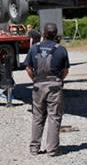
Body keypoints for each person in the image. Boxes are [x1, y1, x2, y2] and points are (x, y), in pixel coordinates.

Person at [22, 22, 70, 156]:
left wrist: (35, 80)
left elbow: (28, 68)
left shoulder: (34, 48)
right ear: (56, 34)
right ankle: (52, 150)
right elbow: (65, 71)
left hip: (38, 85)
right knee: (54, 117)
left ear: (43, 33)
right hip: (54, 85)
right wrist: (59, 80)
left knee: (37, 116)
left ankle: (34, 148)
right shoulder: (61, 49)